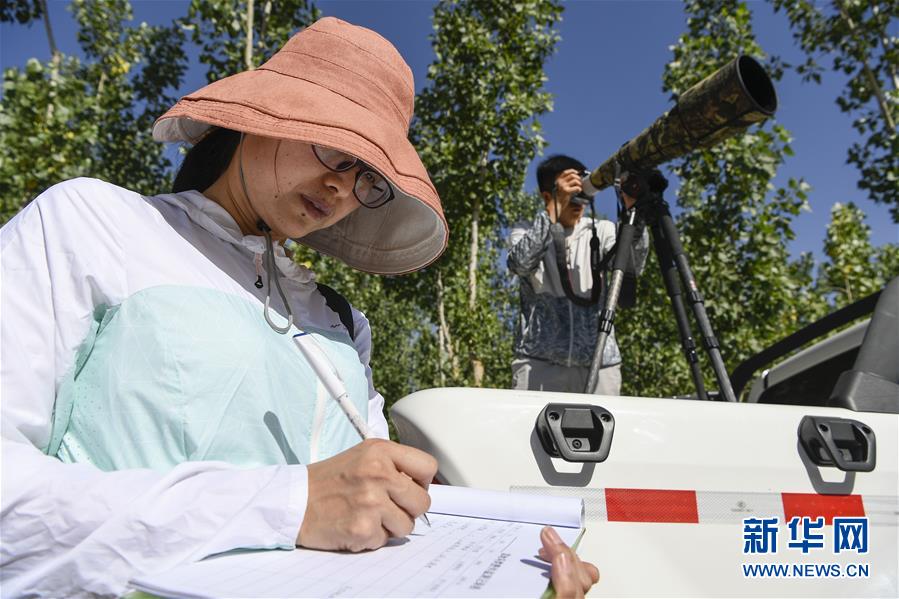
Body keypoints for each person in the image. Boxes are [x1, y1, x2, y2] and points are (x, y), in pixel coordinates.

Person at [0, 17, 598, 597]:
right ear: (258, 119)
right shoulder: (94, 225)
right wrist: (288, 504)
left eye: (369, 178)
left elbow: (375, 529)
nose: (344, 188)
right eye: (335, 148)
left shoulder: (341, 323)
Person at [508, 154, 648, 395]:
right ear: (546, 196)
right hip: (539, 364)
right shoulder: (526, 230)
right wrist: (553, 210)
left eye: (582, 193)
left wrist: (634, 215)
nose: (579, 202)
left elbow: (633, 268)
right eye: (571, 193)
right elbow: (520, 264)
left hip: (600, 364)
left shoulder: (602, 230)